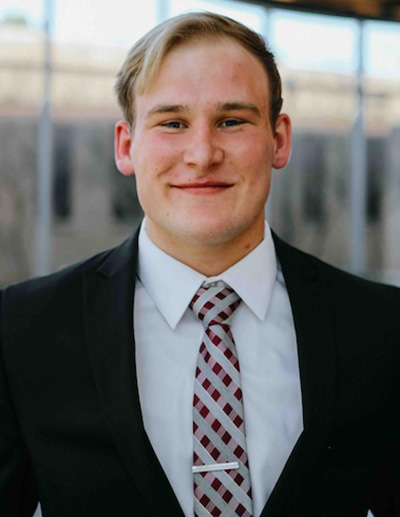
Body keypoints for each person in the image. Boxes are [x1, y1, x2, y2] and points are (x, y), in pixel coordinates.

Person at [1, 11, 399, 517]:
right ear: (127, 146)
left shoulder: (383, 328)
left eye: (232, 121)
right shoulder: (20, 331)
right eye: (172, 123)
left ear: (278, 140)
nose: (202, 152)